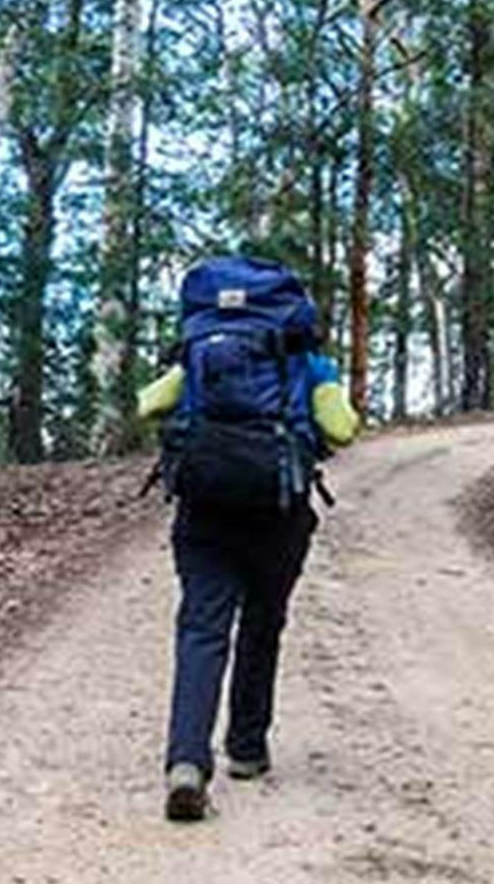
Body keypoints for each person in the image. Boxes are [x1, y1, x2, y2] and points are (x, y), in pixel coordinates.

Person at [139, 255, 360, 823]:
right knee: (263, 623)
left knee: (201, 628)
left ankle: (186, 762)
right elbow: (341, 429)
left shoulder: (198, 353)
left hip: (204, 506)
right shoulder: (309, 363)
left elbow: (149, 404)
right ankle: (246, 748)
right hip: (277, 509)